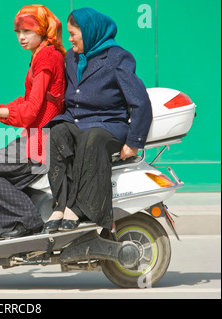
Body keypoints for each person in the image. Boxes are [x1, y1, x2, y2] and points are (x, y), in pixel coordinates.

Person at [0, 5, 66, 239]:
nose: (21, 37)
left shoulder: (46, 58)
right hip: (34, 139)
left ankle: (28, 219)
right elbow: (26, 101)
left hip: (39, 147)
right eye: (18, 32)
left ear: (42, 29)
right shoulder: (43, 54)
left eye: (27, 31)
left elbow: (32, 109)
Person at [42, 7, 153, 233]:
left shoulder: (116, 58)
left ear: (90, 32)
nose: (70, 39)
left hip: (108, 125)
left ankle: (81, 209)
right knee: (57, 131)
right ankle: (61, 205)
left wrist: (133, 143)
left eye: (74, 34)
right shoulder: (72, 58)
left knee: (92, 137)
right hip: (78, 122)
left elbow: (140, 101)